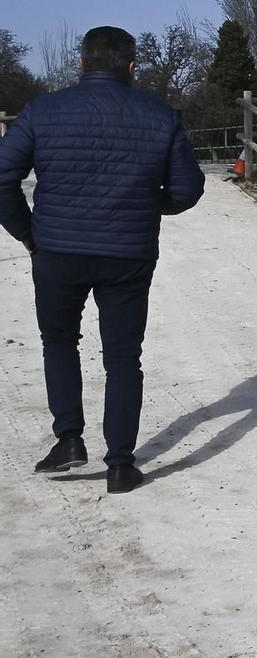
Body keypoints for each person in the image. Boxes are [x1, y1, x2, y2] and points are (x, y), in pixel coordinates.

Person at [0, 26, 205, 493]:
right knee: (123, 357)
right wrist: (146, 204)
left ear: (81, 63)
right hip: (127, 254)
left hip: (57, 251)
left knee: (58, 342)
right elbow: (188, 188)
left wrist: (28, 233)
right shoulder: (160, 116)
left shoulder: (42, 111)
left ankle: (69, 439)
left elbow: (2, 176)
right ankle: (120, 465)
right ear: (132, 67)